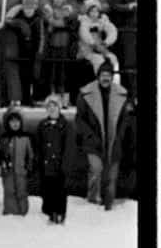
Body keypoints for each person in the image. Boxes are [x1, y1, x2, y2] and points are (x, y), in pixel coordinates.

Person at [74, 60, 132, 211]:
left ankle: (108, 207)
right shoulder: (85, 94)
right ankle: (93, 204)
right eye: (103, 75)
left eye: (108, 75)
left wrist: (120, 138)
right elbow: (80, 119)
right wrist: (89, 136)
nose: (105, 78)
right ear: (98, 76)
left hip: (114, 141)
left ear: (112, 77)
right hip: (93, 141)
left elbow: (126, 120)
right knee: (96, 170)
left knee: (112, 176)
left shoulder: (122, 94)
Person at [31, 95, 72, 224]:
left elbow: (69, 147)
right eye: (49, 106)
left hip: (60, 165)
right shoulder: (42, 125)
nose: (52, 108)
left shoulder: (65, 125)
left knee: (60, 190)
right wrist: (38, 161)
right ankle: (49, 212)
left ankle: (60, 213)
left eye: (54, 106)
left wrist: (65, 164)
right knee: (47, 189)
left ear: (59, 108)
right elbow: (38, 145)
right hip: (46, 164)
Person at [0, 109, 31, 216]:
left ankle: (22, 212)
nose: (15, 124)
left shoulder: (25, 138)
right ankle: (10, 213)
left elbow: (30, 154)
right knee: (9, 191)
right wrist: (0, 165)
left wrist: (29, 167)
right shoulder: (4, 138)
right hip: (8, 171)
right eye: (12, 121)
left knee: (22, 191)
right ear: (8, 123)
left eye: (17, 121)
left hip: (21, 171)